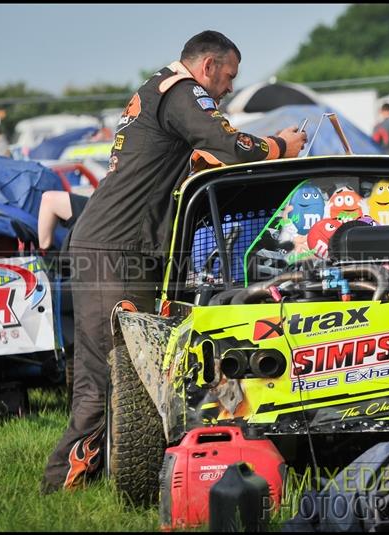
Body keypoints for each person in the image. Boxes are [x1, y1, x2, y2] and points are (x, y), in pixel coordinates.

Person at [40, 30, 306, 494]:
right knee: (107, 375)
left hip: (121, 247)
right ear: (207, 67)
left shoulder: (162, 91)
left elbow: (187, 163)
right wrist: (281, 146)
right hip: (114, 251)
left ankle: (109, 476)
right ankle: (59, 487)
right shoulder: (183, 91)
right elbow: (231, 146)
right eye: (227, 77)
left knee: (134, 374)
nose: (226, 89)